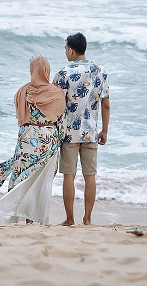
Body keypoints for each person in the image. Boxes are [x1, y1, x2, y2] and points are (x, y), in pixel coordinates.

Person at [0, 55, 66, 224]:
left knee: (22, 176)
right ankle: (32, 218)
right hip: (48, 139)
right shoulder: (56, 93)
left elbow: (21, 115)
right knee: (40, 180)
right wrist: (59, 141)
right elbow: (61, 121)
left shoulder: (23, 91)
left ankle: (17, 213)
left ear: (32, 70)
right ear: (47, 70)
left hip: (27, 137)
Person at [53, 33, 110, 226]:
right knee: (90, 176)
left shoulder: (63, 73)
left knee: (69, 175)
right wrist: (105, 130)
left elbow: (56, 105)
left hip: (68, 133)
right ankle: (87, 219)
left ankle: (70, 219)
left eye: (65, 49)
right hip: (92, 131)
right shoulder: (100, 71)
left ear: (70, 49)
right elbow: (106, 104)